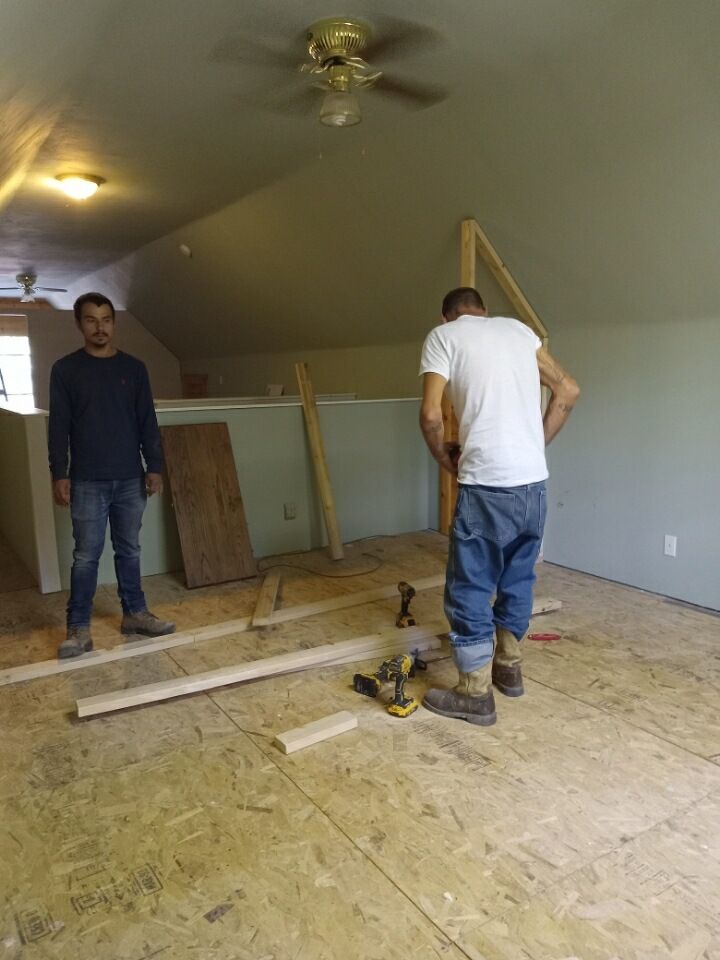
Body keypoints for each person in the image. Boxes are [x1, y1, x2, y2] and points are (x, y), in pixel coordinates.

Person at [418, 287, 579, 725]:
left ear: (447, 315)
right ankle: (509, 668)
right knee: (518, 576)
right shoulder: (520, 331)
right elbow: (568, 389)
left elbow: (432, 415)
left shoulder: (443, 336)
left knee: (470, 584)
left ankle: (474, 691)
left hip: (486, 485)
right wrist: (533, 445)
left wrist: (442, 459)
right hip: (533, 486)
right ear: (484, 312)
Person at [48, 292, 175, 659]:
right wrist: (61, 472)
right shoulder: (66, 370)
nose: (100, 327)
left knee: (129, 550)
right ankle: (78, 628)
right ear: (79, 324)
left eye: (106, 319)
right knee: (86, 556)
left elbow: (146, 421)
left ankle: (135, 614)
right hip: (87, 480)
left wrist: (154, 466)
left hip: (129, 479)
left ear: (114, 323)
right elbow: (59, 427)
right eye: (91, 320)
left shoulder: (134, 369)